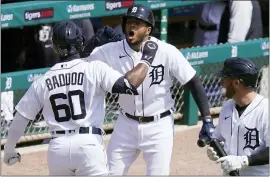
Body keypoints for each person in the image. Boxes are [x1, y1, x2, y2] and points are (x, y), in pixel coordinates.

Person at [3, 20, 159, 176]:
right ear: (80, 43)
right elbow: (129, 85)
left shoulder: (43, 80)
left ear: (55, 47)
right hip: (88, 145)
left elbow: (20, 118)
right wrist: (146, 59)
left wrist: (9, 150)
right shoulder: (94, 69)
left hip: (58, 149)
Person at [87, 4, 214, 175]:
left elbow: (193, 81)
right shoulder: (109, 50)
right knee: (109, 173)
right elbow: (82, 67)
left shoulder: (167, 51)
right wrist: (89, 46)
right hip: (125, 124)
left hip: (159, 126)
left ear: (148, 30)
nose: (131, 26)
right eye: (129, 22)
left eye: (137, 23)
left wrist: (207, 118)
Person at [206, 57, 269, 176]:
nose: (221, 83)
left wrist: (245, 161)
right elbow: (218, 137)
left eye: (224, 79)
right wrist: (214, 149)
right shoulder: (227, 107)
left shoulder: (266, 110)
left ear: (236, 83)